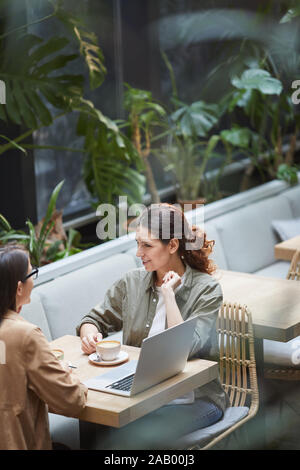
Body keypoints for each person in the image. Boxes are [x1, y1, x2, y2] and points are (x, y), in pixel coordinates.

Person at [77, 203, 229, 449]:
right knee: (90, 418)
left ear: (172, 245)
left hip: (193, 401)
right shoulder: (132, 283)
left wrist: (169, 295)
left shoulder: (207, 289)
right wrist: (89, 334)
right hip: (142, 395)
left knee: (130, 435)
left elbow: (187, 348)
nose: (139, 253)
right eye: (137, 243)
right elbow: (93, 319)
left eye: (147, 245)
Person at [0, 245, 88, 450]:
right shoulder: (24, 335)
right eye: (32, 272)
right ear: (19, 288)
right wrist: (68, 374)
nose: (34, 278)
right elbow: (72, 400)